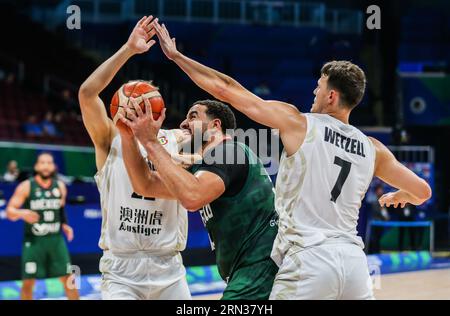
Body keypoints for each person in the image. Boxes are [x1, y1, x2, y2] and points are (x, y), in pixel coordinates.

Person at [153, 22, 432, 299]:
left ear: (332, 96)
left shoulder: (298, 123)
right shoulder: (373, 148)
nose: (314, 93)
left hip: (309, 259)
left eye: (319, 88)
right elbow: (423, 192)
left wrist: (178, 57)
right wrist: (401, 194)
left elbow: (226, 89)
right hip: (354, 263)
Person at [78, 15, 193, 300]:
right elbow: (87, 93)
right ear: (118, 105)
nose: (136, 103)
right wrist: (128, 49)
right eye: (130, 97)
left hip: (169, 267)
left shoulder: (176, 139)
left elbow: (216, 133)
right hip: (121, 271)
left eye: (144, 98)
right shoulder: (108, 139)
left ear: (157, 107)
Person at [119, 98, 279, 300]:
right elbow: (146, 185)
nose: (183, 123)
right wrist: (129, 137)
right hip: (249, 270)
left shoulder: (229, 151)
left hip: (261, 267)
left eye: (193, 116)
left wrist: (150, 142)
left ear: (215, 125)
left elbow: (192, 198)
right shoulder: (206, 170)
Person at [6, 152, 78, 300]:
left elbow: (60, 209)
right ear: (37, 166)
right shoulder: (26, 186)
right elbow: (9, 211)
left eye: (49, 163)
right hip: (34, 241)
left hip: (56, 240)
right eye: (42, 162)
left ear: (54, 166)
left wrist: (65, 224)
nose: (46, 166)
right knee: (28, 282)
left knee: (70, 280)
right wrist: (22, 213)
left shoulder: (60, 186)